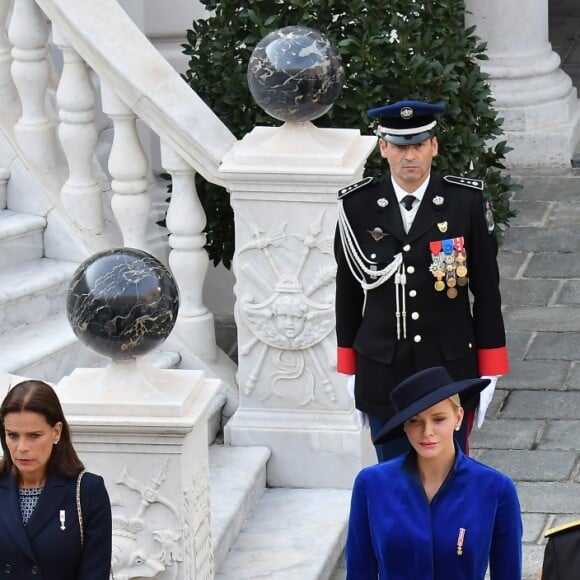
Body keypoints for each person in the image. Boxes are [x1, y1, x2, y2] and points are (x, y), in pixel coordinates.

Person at [334, 99, 509, 461]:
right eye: (399, 146)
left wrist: (490, 369)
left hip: (449, 367)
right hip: (383, 370)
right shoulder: (357, 206)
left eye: (417, 145)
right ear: (383, 148)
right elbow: (348, 293)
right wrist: (350, 369)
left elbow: (487, 292)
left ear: (434, 146)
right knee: (394, 477)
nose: (408, 155)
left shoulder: (465, 203)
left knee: (450, 477)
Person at [345, 366, 523, 579]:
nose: (427, 432)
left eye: (438, 419)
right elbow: (358, 572)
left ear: (458, 418)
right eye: (415, 421)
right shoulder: (371, 484)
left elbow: (508, 574)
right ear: (404, 426)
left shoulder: (496, 489)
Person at [0, 380, 112, 579]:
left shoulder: (87, 491)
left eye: (34, 436)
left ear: (56, 432)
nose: (21, 447)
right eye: (13, 435)